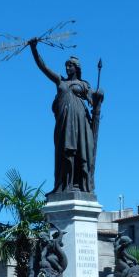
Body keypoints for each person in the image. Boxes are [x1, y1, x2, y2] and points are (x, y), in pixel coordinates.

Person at [29, 38, 103, 193]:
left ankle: (79, 184)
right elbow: (43, 67)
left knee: (81, 152)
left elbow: (93, 102)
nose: (67, 67)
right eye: (66, 65)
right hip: (64, 123)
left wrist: (99, 96)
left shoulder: (84, 85)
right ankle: (64, 184)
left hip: (80, 123)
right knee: (64, 153)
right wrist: (34, 49)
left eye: (70, 65)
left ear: (76, 68)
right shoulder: (60, 81)